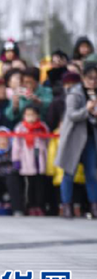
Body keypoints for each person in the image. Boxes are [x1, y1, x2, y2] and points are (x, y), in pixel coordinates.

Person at [53, 62, 97, 219]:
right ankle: (66, 206)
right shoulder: (75, 93)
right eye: (90, 78)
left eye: (96, 78)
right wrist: (88, 109)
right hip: (74, 138)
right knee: (68, 172)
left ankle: (94, 205)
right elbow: (72, 115)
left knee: (91, 173)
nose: (93, 81)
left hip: (90, 138)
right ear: (84, 78)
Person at [12, 105, 49, 216]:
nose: (30, 117)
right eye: (28, 115)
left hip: (40, 158)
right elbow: (16, 145)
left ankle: (40, 205)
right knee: (29, 185)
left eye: (33, 114)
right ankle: (30, 206)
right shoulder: (20, 128)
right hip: (26, 160)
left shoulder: (42, 127)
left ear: (37, 115)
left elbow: (47, 141)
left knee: (40, 184)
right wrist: (16, 160)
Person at [0, 127, 24, 215]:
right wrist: (6, 168)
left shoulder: (13, 149)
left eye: (4, 138)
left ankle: (17, 209)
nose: (2, 141)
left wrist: (4, 169)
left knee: (12, 180)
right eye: (0, 139)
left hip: (10, 176)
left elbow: (15, 167)